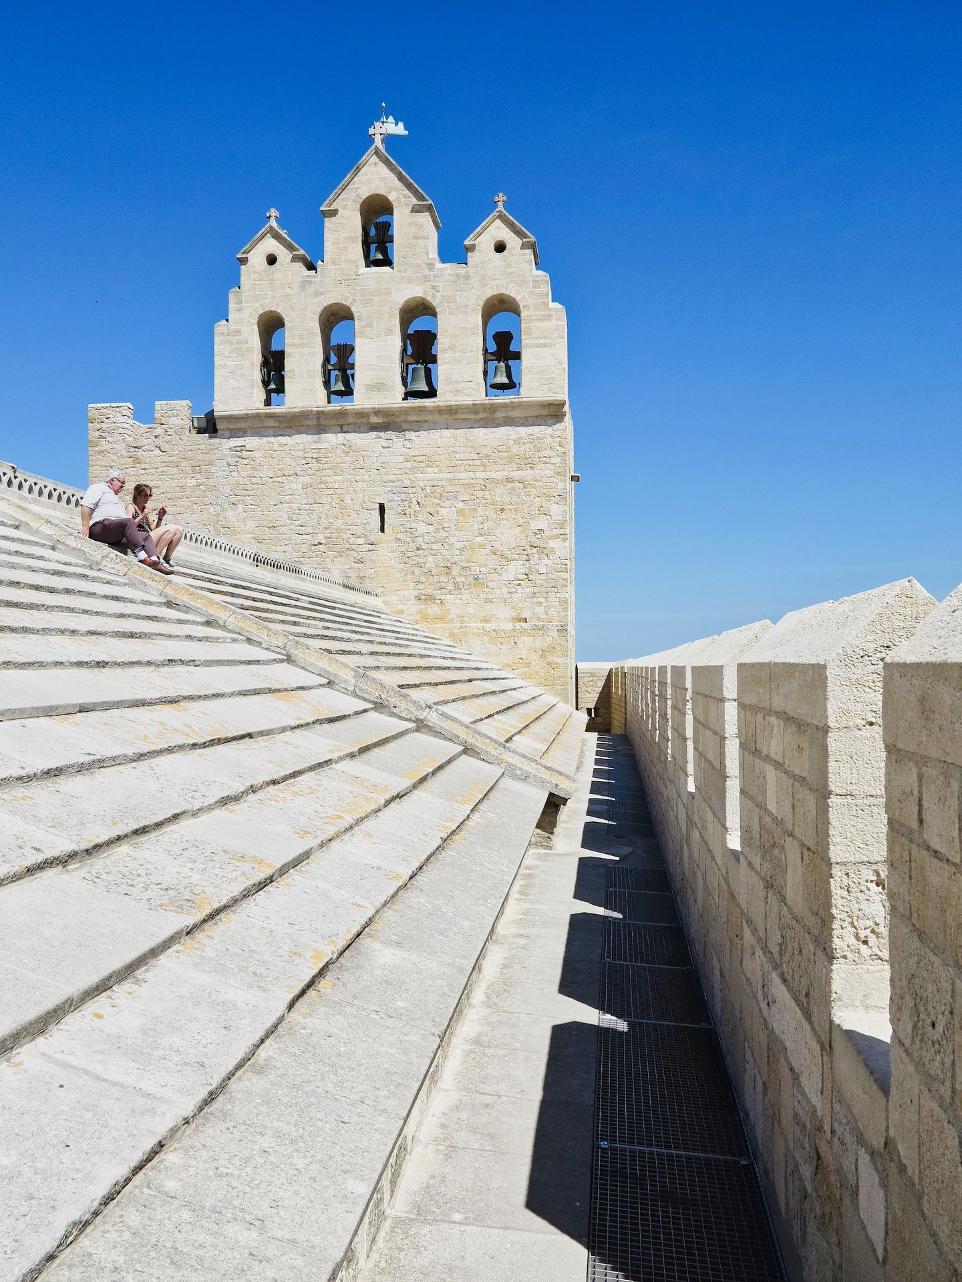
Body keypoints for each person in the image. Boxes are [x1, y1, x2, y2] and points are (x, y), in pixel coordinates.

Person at [79, 470, 174, 574]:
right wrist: (85, 526)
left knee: (145, 536)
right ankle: (142, 557)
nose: (123, 486)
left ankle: (155, 560)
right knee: (128, 521)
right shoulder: (98, 488)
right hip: (100, 527)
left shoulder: (118, 500)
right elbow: (86, 505)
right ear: (112, 481)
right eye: (122, 482)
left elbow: (130, 526)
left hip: (114, 534)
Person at [125, 482, 184, 565]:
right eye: (145, 495)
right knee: (172, 528)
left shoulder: (145, 509)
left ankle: (167, 557)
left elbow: (154, 529)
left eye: (149, 495)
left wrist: (160, 518)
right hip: (138, 540)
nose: (147, 498)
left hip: (147, 538)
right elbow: (127, 527)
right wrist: (142, 515)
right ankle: (156, 556)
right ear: (137, 495)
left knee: (179, 531)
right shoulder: (130, 507)